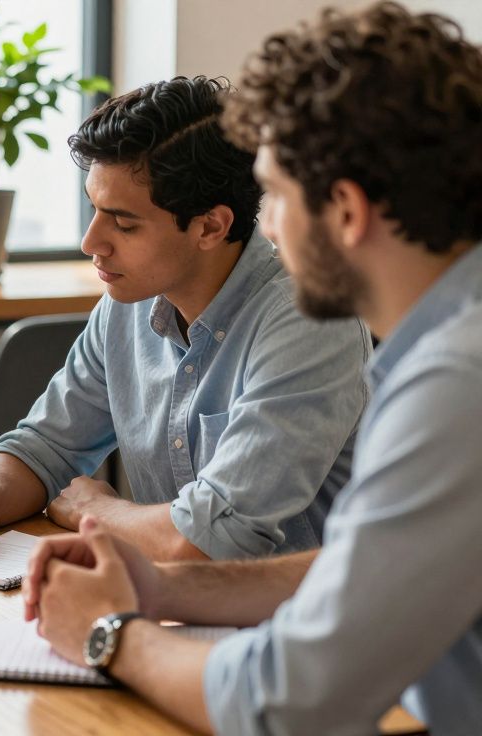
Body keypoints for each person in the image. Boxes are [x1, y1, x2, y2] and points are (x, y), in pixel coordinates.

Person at [25, 4, 482, 733]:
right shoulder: (445, 347)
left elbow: (290, 699)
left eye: (274, 196)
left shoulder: (456, 386)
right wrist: (168, 590)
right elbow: (365, 573)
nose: (262, 224)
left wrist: (111, 634)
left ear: (346, 210)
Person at [0, 76, 369, 562]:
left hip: (290, 623)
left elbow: (219, 537)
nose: (91, 242)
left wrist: (99, 513)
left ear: (211, 226)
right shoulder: (125, 305)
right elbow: (45, 449)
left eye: (123, 223)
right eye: (94, 210)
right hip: (171, 603)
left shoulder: (311, 323)